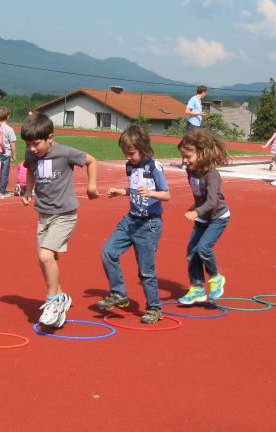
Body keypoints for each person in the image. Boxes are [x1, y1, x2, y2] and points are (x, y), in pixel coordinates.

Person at [21, 113, 99, 328]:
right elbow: (29, 169)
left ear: (50, 137)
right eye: (28, 144)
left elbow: (92, 161)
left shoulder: (65, 153)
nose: (32, 148)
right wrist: (28, 190)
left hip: (64, 214)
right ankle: (61, 296)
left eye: (36, 144)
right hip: (43, 214)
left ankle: (53, 300)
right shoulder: (31, 153)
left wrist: (91, 187)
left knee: (45, 256)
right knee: (46, 260)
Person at [98, 126, 171, 324]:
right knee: (108, 252)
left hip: (149, 224)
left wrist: (151, 194)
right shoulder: (130, 166)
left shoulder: (154, 166)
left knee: (146, 270)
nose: (128, 157)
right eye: (125, 154)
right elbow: (134, 189)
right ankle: (118, 293)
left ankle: (154, 308)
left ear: (144, 148)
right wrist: (122, 192)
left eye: (131, 153)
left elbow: (166, 194)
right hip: (130, 219)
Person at [177, 129, 231, 304]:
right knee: (191, 252)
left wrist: (196, 211)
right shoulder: (191, 172)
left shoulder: (212, 175)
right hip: (203, 216)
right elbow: (199, 194)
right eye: (182, 156)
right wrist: (195, 205)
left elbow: (212, 201)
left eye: (188, 156)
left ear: (202, 154)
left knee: (203, 249)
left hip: (217, 217)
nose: (184, 161)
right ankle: (198, 288)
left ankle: (216, 278)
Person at [0, 106, 18, 196]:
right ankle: (2, 190)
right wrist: (14, 154)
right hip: (6, 153)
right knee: (4, 172)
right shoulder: (9, 129)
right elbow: (12, 143)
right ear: (8, 117)